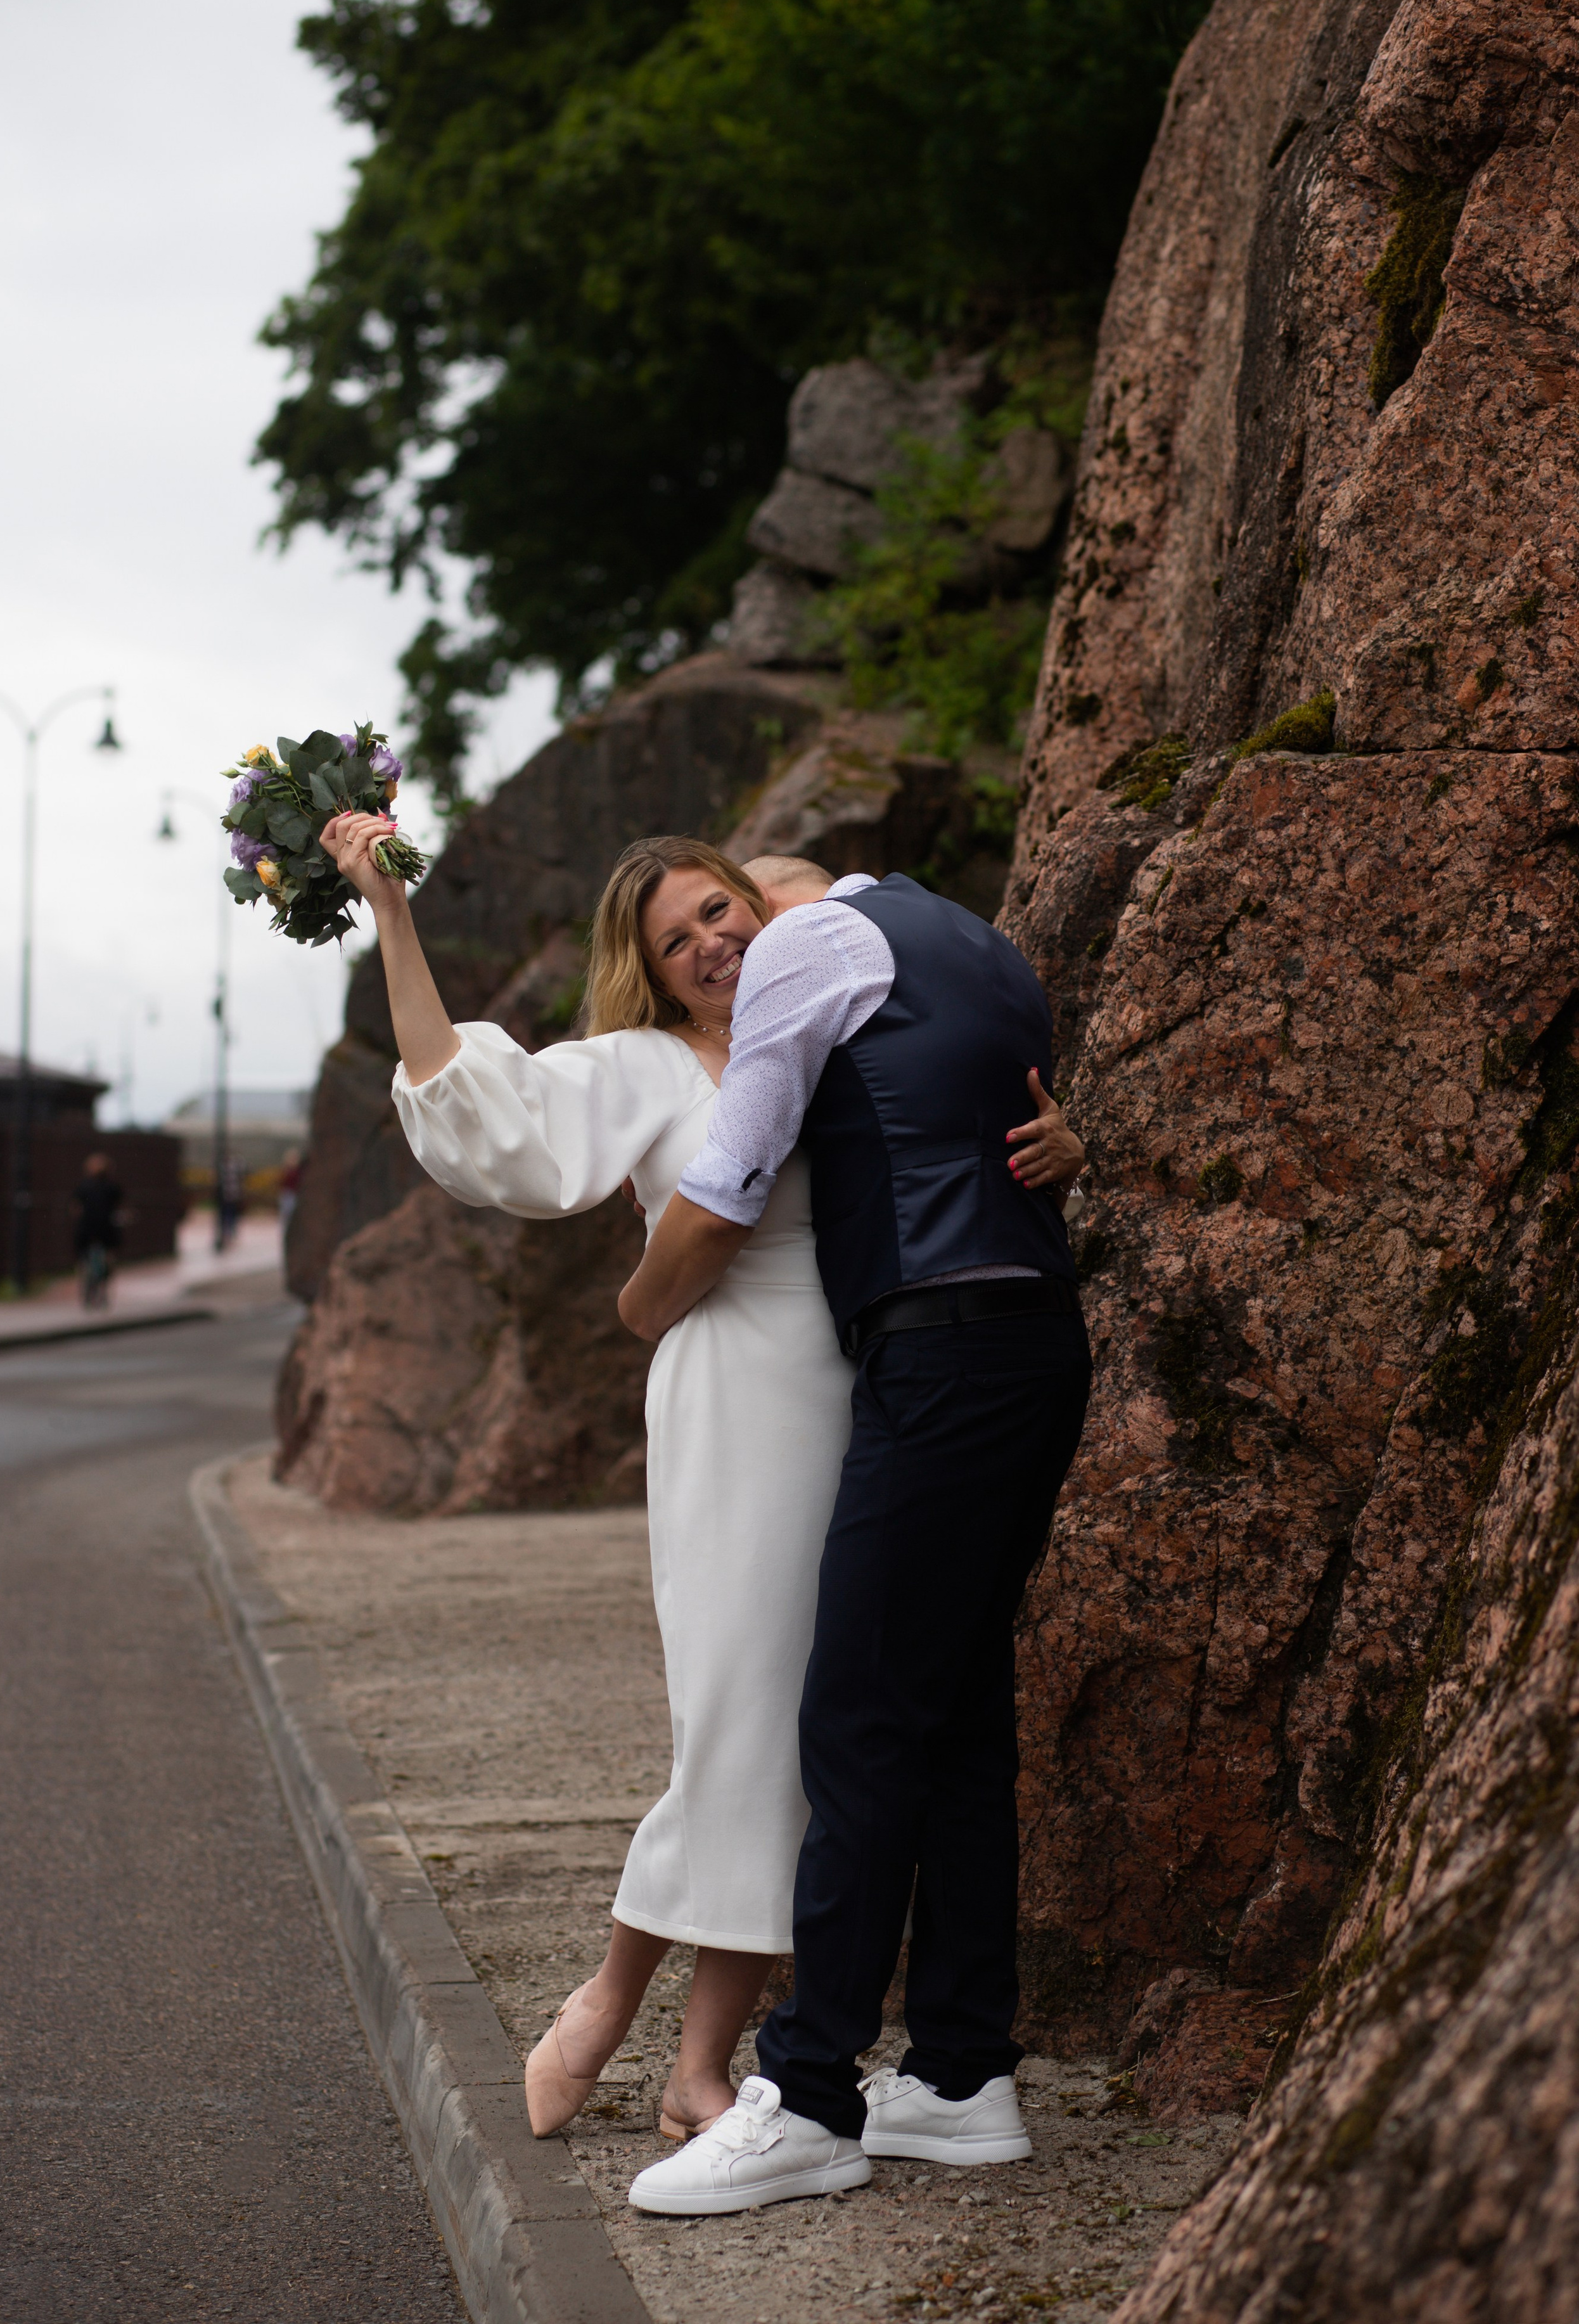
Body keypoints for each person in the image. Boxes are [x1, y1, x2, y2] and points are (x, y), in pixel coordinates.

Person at [319, 808, 1083, 2145]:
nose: (709, 945)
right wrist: (391, 914)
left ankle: (698, 2064)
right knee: (739, 1717)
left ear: (755, 900)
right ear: (654, 973)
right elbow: (469, 1103)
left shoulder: (834, 1014)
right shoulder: (647, 1065)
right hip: (732, 1401)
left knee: (814, 1740)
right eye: (676, 942)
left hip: (863, 1395)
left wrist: (1061, 1147)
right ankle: (610, 2002)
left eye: (717, 913)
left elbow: (959, 1117)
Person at [620, 857, 1093, 2218]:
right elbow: (1000, 1132)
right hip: (1028, 1343)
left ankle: (809, 2093)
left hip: (937, 1351)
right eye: (699, 927)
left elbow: (726, 1180)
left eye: (737, 901)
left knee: (859, 1715)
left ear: (796, 891)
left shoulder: (811, 943)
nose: (733, 933)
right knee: (954, 1717)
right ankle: (957, 2075)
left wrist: (638, 1310)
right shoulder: (977, 944)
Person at [72, 1153, 124, 1311]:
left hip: (87, 1229)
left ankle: (88, 1290)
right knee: (108, 1260)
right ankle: (102, 1291)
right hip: (105, 1229)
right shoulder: (112, 1187)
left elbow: (75, 1208)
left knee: (85, 1260)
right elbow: (120, 1208)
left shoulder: (83, 1187)